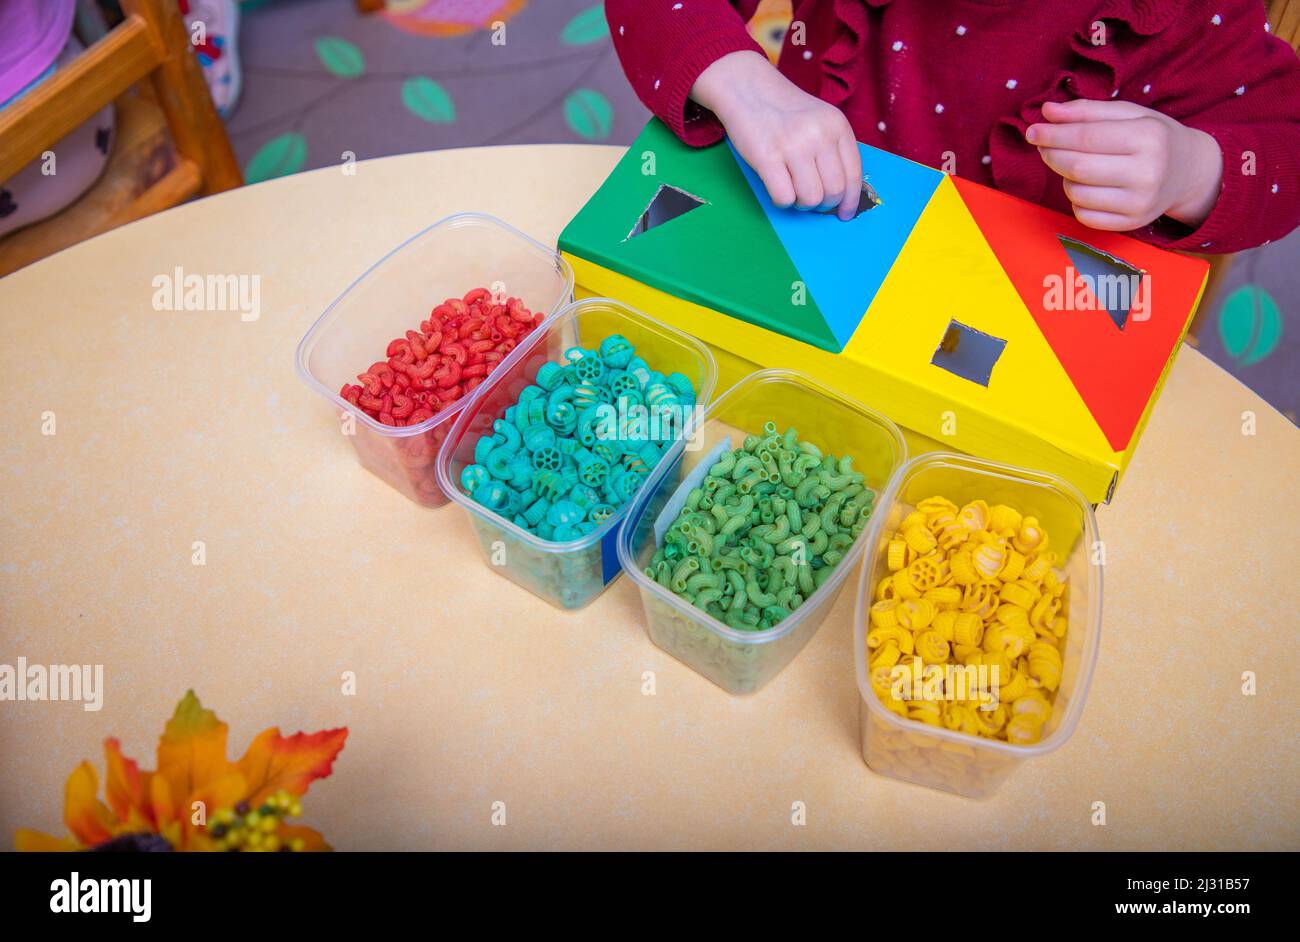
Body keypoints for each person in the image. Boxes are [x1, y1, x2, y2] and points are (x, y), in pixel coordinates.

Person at [605, 0, 1300, 254]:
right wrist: (742, 81)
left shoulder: (1199, 13)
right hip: (799, 239)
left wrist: (1192, 171)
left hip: (1037, 330)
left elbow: (1285, 151)